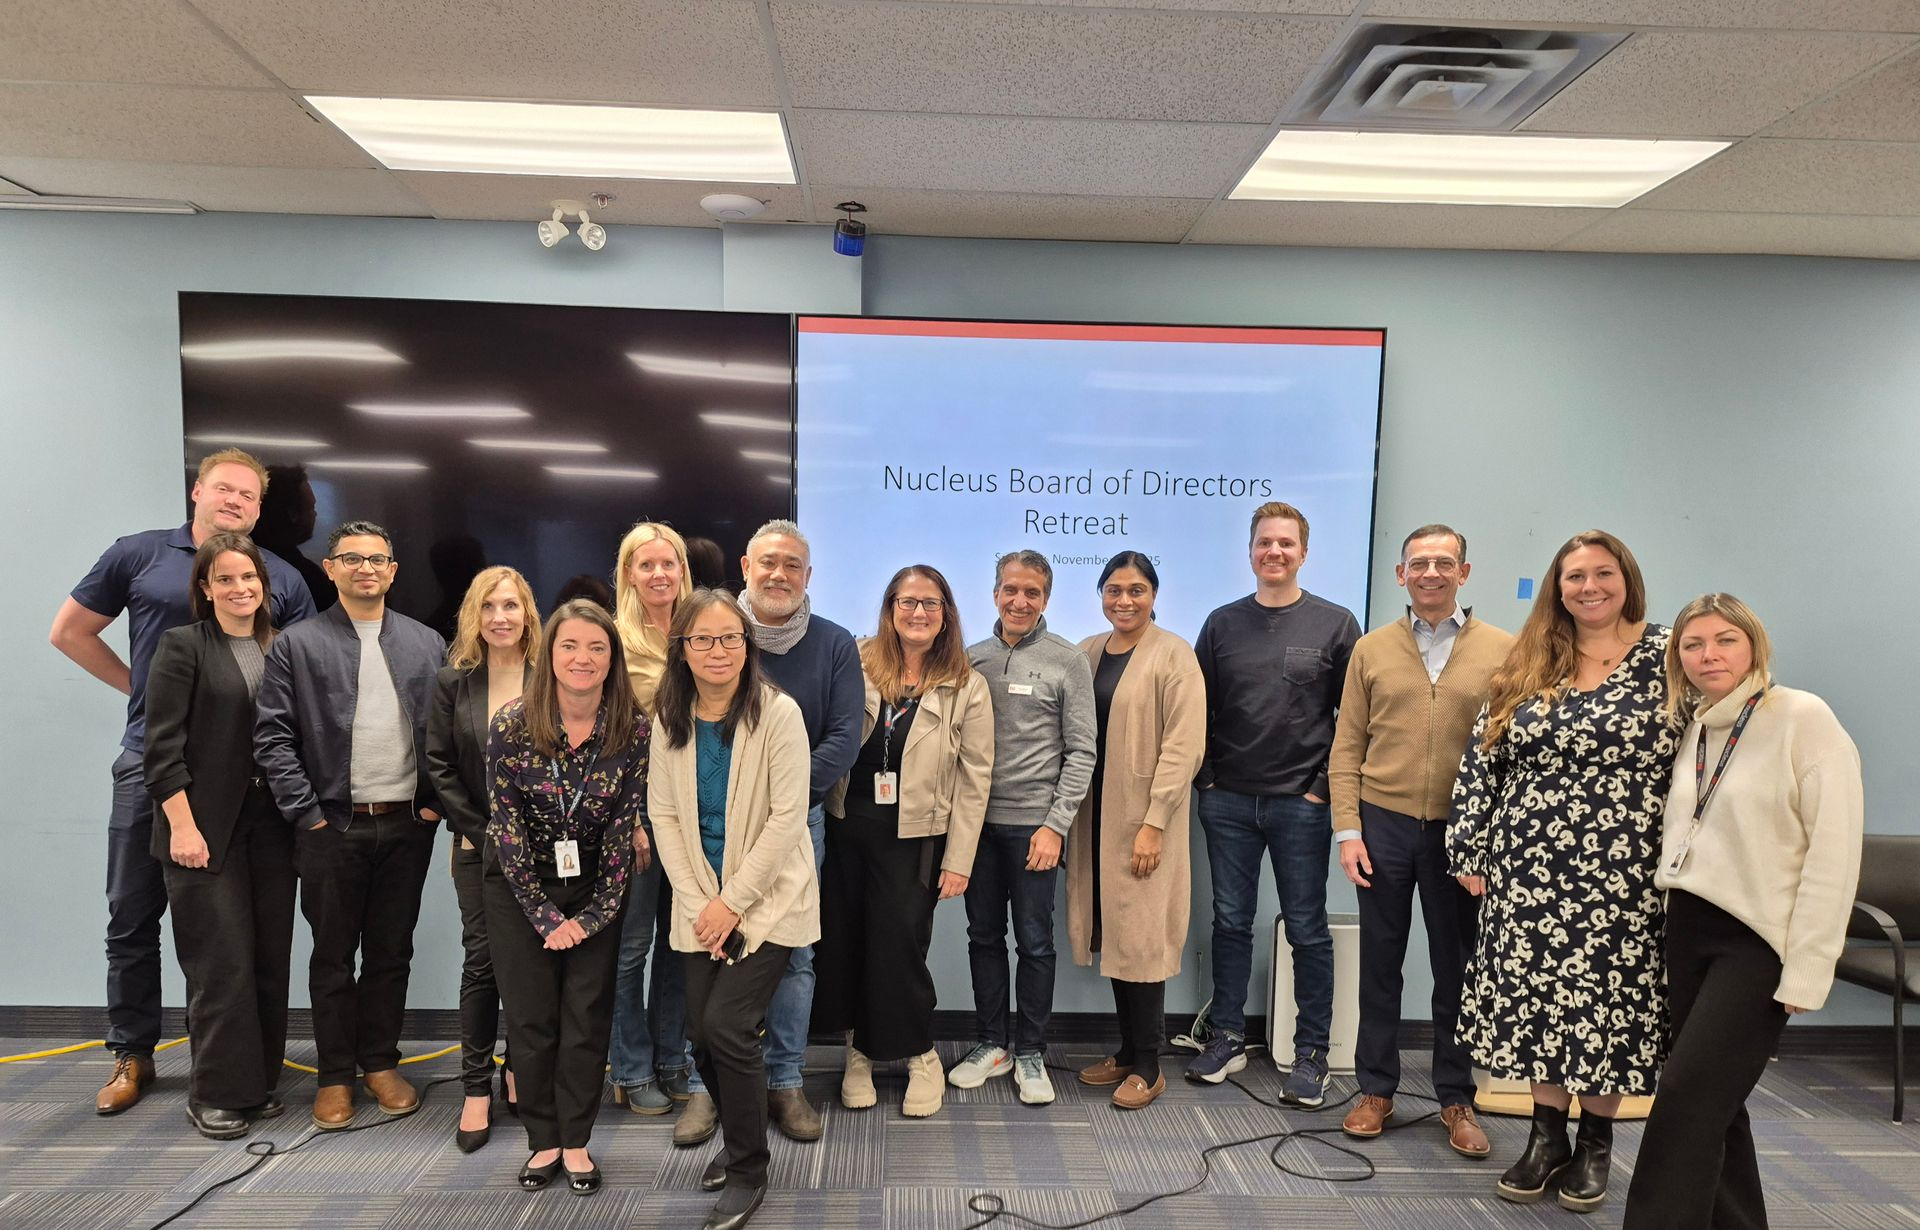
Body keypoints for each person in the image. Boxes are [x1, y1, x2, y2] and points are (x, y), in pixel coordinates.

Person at [51, 448, 315, 1115]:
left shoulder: (282, 578)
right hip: (154, 766)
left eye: (248, 495)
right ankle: (132, 1054)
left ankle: (232, 1066)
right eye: (223, 488)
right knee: (134, 914)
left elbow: (305, 682)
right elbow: (70, 632)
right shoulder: (139, 555)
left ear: (259, 508)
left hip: (249, 785)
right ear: (198, 491)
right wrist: (145, 694)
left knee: (238, 938)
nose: (234, 500)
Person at [1447, 529, 1677, 1212]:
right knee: (1537, 1004)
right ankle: (1546, 1139)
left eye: (1603, 574)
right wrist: (1469, 849)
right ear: (1558, 587)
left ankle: (1596, 1143)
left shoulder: (1669, 657)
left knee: (1609, 1007)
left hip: (1626, 875)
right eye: (1575, 577)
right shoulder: (1534, 656)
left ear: (1626, 579)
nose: (1589, 587)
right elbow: (1483, 756)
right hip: (1529, 868)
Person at [1623, 595, 1863, 1230]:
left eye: (1724, 640)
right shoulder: (1700, 724)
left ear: (1753, 644)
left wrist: (1810, 967)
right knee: (1717, 1104)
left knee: (1683, 1097)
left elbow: (1833, 854)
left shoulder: (1802, 718)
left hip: (1757, 943)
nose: (1708, 655)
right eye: (1693, 645)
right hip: (1688, 929)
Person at [253, 519, 446, 1131]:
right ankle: (336, 1074)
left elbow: (444, 734)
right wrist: (306, 814)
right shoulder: (297, 645)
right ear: (331, 568)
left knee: (392, 952)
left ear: (393, 571)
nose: (367, 568)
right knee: (333, 955)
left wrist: (436, 802)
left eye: (379, 559)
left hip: (407, 825)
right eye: (352, 558)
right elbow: (273, 738)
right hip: (330, 827)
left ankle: (380, 1064)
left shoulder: (426, 643)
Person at [674, 520, 862, 1144]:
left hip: (792, 821)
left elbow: (843, 734)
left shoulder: (835, 644)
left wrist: (788, 796)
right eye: (769, 563)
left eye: (794, 566)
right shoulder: (711, 639)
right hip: (706, 828)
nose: (780, 574)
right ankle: (709, 1089)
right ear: (746, 566)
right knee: (709, 947)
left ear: (809, 577)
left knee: (794, 957)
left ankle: (784, 1080)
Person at [1329, 525, 1512, 1156]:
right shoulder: (1372, 649)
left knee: (1454, 967)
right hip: (1382, 823)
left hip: (1461, 835)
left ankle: (1455, 1098)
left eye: (1444, 563)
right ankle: (1375, 1088)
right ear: (1400, 575)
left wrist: (1488, 841)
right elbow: (1347, 744)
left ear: (1464, 573)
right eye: (1418, 563)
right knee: (1380, 963)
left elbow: (1510, 753)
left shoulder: (1504, 651)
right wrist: (1347, 830)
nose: (1430, 572)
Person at [649, 590, 817, 1230]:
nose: (717, 651)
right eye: (702, 640)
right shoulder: (670, 721)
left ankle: (748, 1167)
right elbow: (665, 819)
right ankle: (743, 1138)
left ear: (747, 648)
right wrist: (704, 907)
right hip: (701, 904)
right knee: (702, 1034)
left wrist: (733, 905)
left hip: (770, 900)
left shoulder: (780, 715)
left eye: (730, 639)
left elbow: (784, 822)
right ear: (682, 649)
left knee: (726, 1026)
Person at [1189, 502, 1360, 1105]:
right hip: (1227, 800)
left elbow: (1352, 722)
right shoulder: (1220, 624)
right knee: (1230, 922)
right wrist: (1207, 778)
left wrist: (1320, 787)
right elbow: (1195, 710)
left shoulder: (1337, 625)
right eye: (1265, 543)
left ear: (1304, 553)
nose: (1275, 552)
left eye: (1286, 544)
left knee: (1307, 928)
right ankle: (1228, 1037)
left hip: (1301, 804)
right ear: (1251, 551)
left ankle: (1311, 1053)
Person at [816, 564, 993, 1120]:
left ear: (947, 614)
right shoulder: (858, 661)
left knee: (900, 948)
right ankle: (859, 1053)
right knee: (846, 946)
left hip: (917, 836)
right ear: (891, 607)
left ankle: (920, 1053)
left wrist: (960, 860)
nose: (918, 613)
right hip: (849, 828)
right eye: (907, 601)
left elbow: (975, 778)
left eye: (931, 604)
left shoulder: (967, 682)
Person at [486, 599, 646, 1197]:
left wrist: (593, 915)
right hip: (519, 889)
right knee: (531, 1019)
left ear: (613, 658)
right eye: (570, 646)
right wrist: (547, 916)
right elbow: (505, 828)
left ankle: (576, 1141)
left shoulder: (632, 728)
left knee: (585, 1017)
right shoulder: (510, 723)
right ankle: (543, 1141)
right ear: (549, 653)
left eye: (597, 648)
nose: (583, 658)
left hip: (596, 887)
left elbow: (621, 831)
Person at [142, 533, 297, 1139]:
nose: (241, 589)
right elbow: (161, 750)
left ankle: (256, 1084)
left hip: (271, 830)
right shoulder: (183, 647)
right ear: (205, 590)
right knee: (220, 964)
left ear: (265, 584)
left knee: (266, 960)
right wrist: (182, 825)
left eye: (249, 578)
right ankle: (214, 1091)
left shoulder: (281, 648)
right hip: (202, 829)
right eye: (225, 579)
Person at [953, 550, 1096, 1106]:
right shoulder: (971, 659)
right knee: (982, 936)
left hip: (1035, 829)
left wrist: (1055, 826)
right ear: (994, 594)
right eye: (1010, 590)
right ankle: (992, 1043)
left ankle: (1031, 1050)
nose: (1020, 601)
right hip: (976, 829)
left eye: (1032, 593)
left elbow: (1082, 750)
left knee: (1035, 943)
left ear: (1046, 599)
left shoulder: (1068, 661)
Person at [1066, 552, 1204, 1111]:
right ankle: (1126, 1051)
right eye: (1114, 589)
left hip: (1146, 821)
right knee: (1117, 937)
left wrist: (1154, 823)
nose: (1125, 600)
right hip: (1093, 818)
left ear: (1155, 595)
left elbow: (1184, 746)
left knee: (1143, 938)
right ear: (1101, 594)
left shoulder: (1175, 654)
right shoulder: (1087, 651)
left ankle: (1149, 1065)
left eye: (1137, 590)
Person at [426, 566, 540, 1152]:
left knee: (531, 965)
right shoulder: (453, 682)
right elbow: (439, 766)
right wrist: (484, 830)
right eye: (489, 606)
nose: (500, 616)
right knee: (484, 963)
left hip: (545, 853)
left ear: (528, 614)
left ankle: (518, 1069)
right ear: (476, 614)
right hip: (477, 849)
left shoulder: (550, 678)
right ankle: (475, 1088)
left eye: (511, 606)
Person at [608, 522, 694, 1124]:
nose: (659, 574)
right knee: (630, 949)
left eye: (669, 563)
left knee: (680, 948)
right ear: (628, 574)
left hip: (693, 815)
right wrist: (629, 820)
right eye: (646, 565)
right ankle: (631, 1069)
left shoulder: (703, 630)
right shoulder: (612, 640)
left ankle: (672, 1059)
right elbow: (606, 741)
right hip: (634, 819)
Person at [255, 462, 334, 612]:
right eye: (311, 507)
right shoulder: (308, 578)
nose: (315, 514)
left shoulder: (233, 555)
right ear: (293, 514)